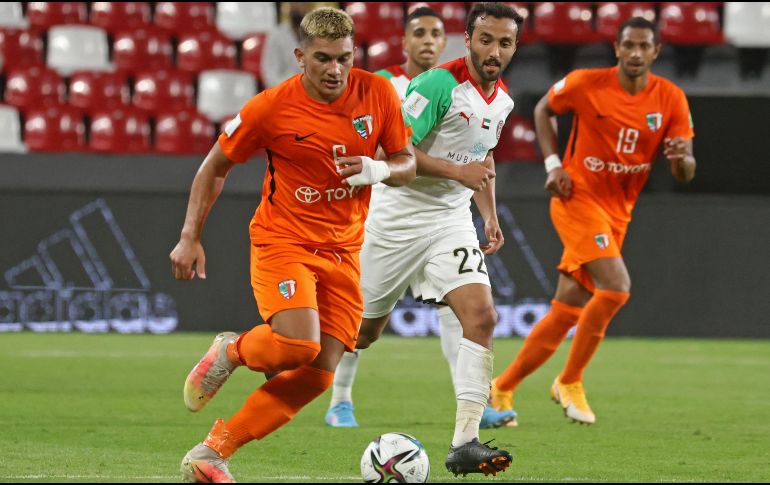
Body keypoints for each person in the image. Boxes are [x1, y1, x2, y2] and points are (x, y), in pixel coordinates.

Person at [171, 8, 416, 482]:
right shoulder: (270, 107)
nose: (335, 69)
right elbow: (215, 166)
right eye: (323, 59)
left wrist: (379, 169)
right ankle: (233, 350)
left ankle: (211, 453)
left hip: (344, 249)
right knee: (298, 344)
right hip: (284, 239)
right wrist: (189, 236)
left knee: (318, 374)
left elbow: (406, 162)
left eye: (344, 58)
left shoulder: (378, 93)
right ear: (300, 57)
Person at [340, 2, 522, 477]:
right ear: (469, 39)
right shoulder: (438, 84)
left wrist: (488, 214)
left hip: (450, 221)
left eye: (504, 43)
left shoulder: (502, 101)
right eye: (486, 40)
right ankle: (274, 353)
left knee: (481, 317)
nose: (494, 51)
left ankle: (465, 443)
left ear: (514, 47)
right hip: (395, 221)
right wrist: (457, 173)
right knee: (361, 334)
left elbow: (482, 159)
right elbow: (394, 152)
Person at [491, 17, 696, 425]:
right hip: (577, 198)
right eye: (628, 45)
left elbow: (685, 172)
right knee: (616, 287)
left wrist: (681, 158)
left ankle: (502, 387)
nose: (635, 53)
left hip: (618, 211)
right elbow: (543, 108)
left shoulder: (671, 98)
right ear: (617, 48)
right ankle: (569, 380)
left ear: (656, 52)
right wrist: (553, 164)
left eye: (644, 46)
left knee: (567, 309)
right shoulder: (586, 83)